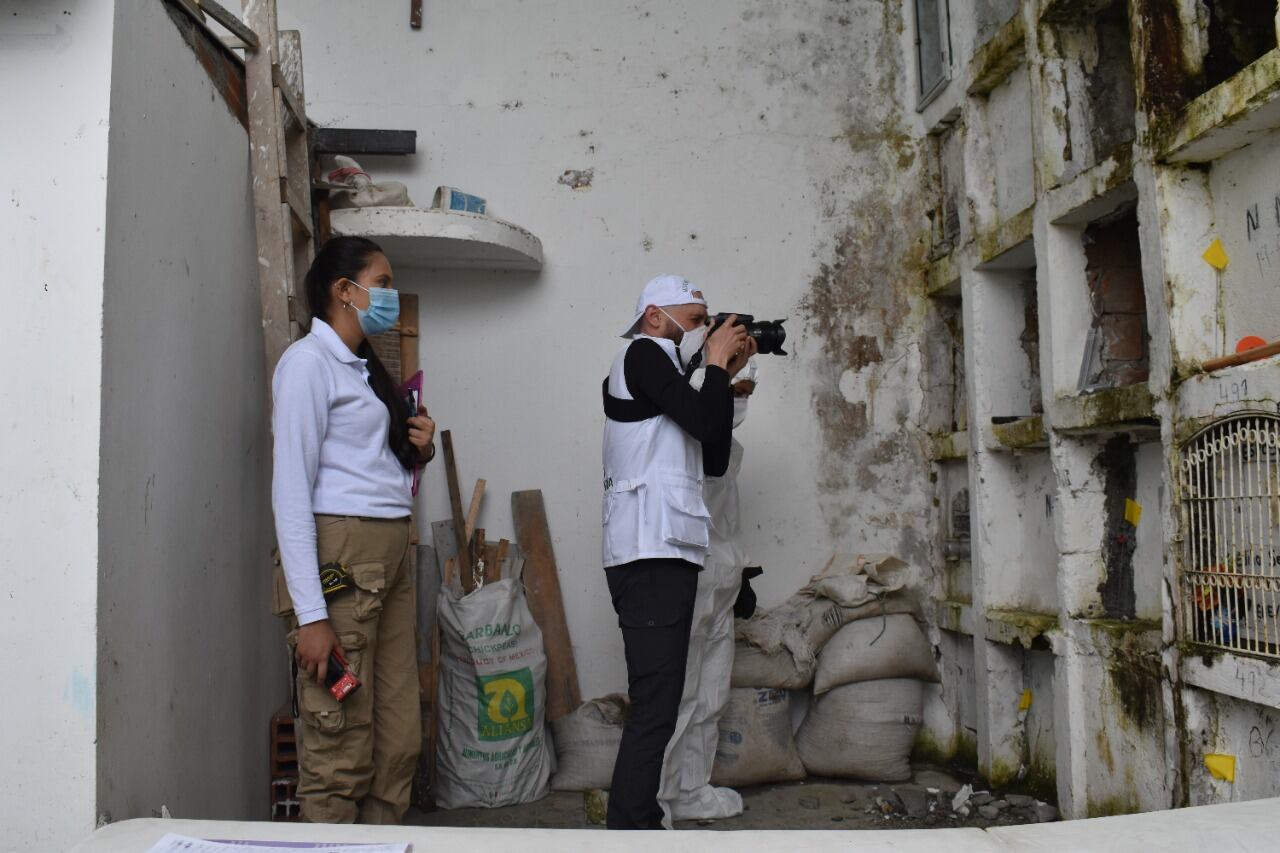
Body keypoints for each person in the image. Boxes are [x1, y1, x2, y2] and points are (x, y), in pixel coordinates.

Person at [269, 236, 436, 824]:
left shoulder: (364, 371)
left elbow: (369, 468)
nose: (390, 294)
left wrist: (420, 450)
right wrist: (312, 616)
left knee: (397, 742)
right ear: (345, 291)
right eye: (382, 282)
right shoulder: (307, 366)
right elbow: (291, 491)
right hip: (342, 559)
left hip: (387, 555)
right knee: (340, 742)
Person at [600, 273, 756, 829]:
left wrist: (725, 376)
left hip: (669, 551)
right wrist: (711, 366)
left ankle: (635, 822)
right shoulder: (642, 354)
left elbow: (712, 452)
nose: (705, 331)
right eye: (695, 321)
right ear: (654, 318)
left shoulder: (674, 375)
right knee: (655, 707)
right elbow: (698, 415)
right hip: (647, 552)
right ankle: (631, 827)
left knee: (662, 705)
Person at [657, 358, 758, 824]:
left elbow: (725, 510)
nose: (744, 392)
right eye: (737, 383)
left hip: (720, 573)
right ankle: (658, 795)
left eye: (748, 386)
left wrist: (737, 574)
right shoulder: (683, 430)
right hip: (689, 572)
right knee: (679, 691)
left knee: (711, 691)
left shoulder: (719, 433)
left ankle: (692, 789)